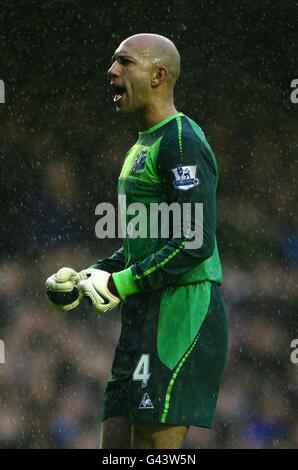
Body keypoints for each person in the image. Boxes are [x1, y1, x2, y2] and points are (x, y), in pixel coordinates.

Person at [46, 33, 229, 449]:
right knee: (114, 441)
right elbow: (141, 242)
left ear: (159, 75)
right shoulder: (141, 145)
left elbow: (193, 240)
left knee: (151, 449)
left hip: (180, 312)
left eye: (124, 62)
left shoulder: (181, 142)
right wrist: (91, 276)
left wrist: (119, 284)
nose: (111, 72)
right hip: (144, 314)